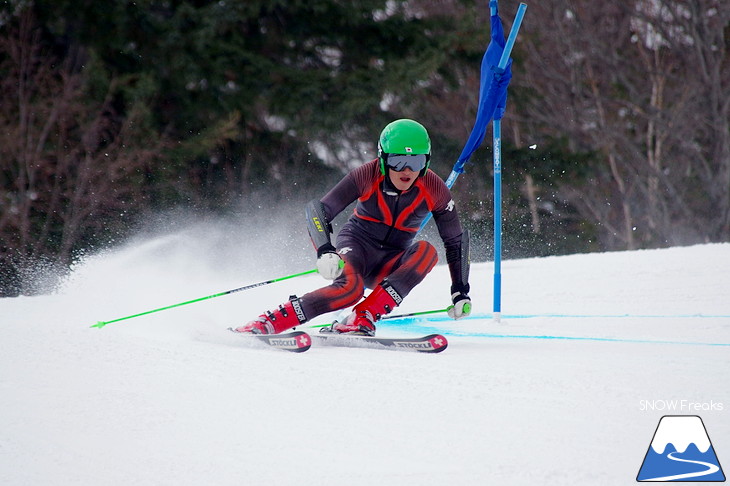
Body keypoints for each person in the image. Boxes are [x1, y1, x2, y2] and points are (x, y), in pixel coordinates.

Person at [234, 118, 471, 336]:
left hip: (390, 261)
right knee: (350, 289)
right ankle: (269, 321)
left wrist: (460, 290)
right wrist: (324, 249)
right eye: (398, 161)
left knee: (427, 252)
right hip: (357, 247)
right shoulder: (367, 174)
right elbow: (317, 210)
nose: (406, 170)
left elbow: (455, 241)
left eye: (416, 161)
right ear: (383, 159)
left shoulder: (434, 188)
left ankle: (361, 316)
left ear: (426, 161)